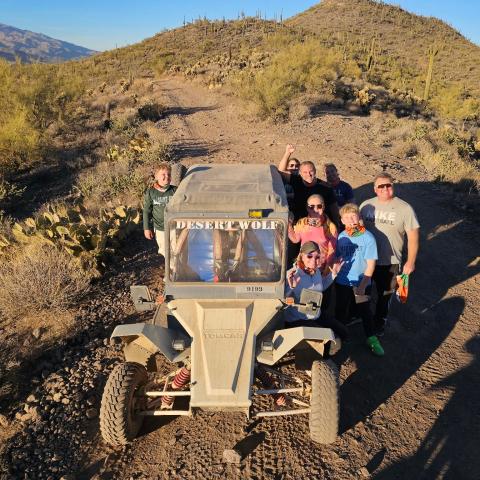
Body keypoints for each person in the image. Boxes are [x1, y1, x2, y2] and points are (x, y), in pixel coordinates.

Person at [359, 173, 420, 336]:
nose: (385, 188)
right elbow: (356, 229)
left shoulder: (405, 208)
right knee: (362, 290)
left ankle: (379, 322)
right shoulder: (365, 206)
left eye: (388, 185)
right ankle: (360, 316)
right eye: (381, 186)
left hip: (390, 260)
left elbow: (413, 238)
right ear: (375, 189)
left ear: (393, 186)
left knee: (385, 294)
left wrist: (410, 261)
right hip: (367, 259)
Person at [335, 203, 384, 356]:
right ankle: (338, 336)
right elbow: (338, 258)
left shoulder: (368, 238)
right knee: (341, 309)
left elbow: (371, 265)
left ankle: (371, 338)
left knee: (364, 310)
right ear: (342, 221)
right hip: (342, 280)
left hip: (361, 281)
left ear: (359, 218)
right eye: (347, 218)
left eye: (354, 216)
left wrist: (363, 285)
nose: (351, 220)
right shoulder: (341, 236)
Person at [285, 241, 347, 342]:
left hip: (315, 314)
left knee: (344, 332)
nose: (313, 261)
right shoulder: (292, 274)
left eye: (317, 257)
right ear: (301, 256)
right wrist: (291, 287)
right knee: (329, 339)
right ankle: (325, 356)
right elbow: (281, 301)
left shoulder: (316, 271)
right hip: (298, 319)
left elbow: (320, 288)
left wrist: (333, 274)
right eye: (309, 256)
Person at [278, 144, 340, 228]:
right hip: (300, 224)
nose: (309, 175)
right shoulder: (296, 181)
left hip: (321, 225)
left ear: (315, 171)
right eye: (305, 172)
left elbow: (334, 209)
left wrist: (337, 225)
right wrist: (287, 153)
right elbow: (281, 171)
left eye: (311, 171)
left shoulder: (326, 187)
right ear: (300, 173)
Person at [288, 194, 338, 272]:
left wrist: (327, 268)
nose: (315, 209)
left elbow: (332, 250)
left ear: (323, 207)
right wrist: (288, 224)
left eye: (319, 206)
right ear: (307, 208)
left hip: (320, 267)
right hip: (303, 264)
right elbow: (295, 239)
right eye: (311, 207)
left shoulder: (330, 226)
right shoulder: (302, 222)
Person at [143, 163, 177, 258]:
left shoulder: (175, 190)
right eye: (163, 175)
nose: (167, 177)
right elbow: (146, 211)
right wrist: (146, 228)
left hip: (174, 227)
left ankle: (176, 270)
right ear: (157, 176)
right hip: (160, 228)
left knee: (176, 249)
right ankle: (172, 270)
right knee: (164, 250)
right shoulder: (151, 192)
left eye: (169, 174)